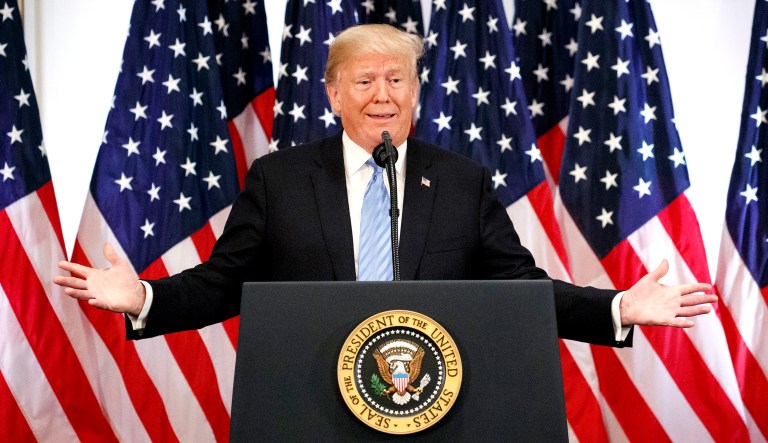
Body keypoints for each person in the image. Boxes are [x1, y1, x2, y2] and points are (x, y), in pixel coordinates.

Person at [54, 24, 715, 346]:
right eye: (364, 80)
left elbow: (520, 289)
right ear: (334, 93)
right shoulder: (280, 180)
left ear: (417, 93)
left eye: (397, 79)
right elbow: (222, 283)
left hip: (433, 405)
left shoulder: (462, 182)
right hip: (308, 406)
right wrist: (143, 294)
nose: (381, 94)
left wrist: (618, 308)